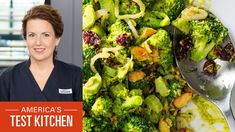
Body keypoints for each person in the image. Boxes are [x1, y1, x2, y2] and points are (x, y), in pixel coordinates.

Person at [0, 5, 82, 101]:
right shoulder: (7, 78)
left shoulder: (75, 76)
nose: (38, 42)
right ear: (26, 39)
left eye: (46, 35)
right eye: (32, 35)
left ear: (57, 39)